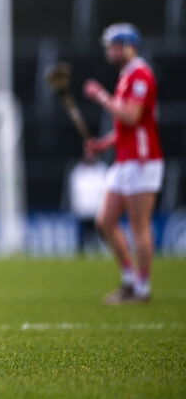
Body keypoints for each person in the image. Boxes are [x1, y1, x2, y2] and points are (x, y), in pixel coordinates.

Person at [83, 23, 164, 304]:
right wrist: (103, 144)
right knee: (105, 220)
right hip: (125, 159)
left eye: (115, 46)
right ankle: (129, 279)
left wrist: (100, 96)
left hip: (143, 161)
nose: (111, 51)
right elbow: (127, 128)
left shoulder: (140, 74)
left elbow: (131, 116)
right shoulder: (128, 76)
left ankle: (142, 287)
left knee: (139, 225)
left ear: (129, 46)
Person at [67, 156, 108, 254]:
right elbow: (74, 191)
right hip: (82, 210)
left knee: (102, 235)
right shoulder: (77, 171)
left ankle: (104, 251)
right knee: (82, 236)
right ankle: (81, 252)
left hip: (98, 210)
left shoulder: (102, 170)